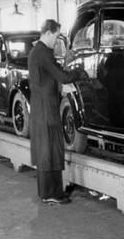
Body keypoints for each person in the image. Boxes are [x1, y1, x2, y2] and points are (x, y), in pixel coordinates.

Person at [28, 19, 83, 205]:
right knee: (50, 149)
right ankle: (52, 194)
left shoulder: (37, 52)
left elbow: (51, 77)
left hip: (40, 106)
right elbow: (61, 76)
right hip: (46, 107)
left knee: (46, 149)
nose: (57, 40)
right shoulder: (44, 52)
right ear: (49, 33)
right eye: (57, 36)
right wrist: (80, 73)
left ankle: (48, 192)